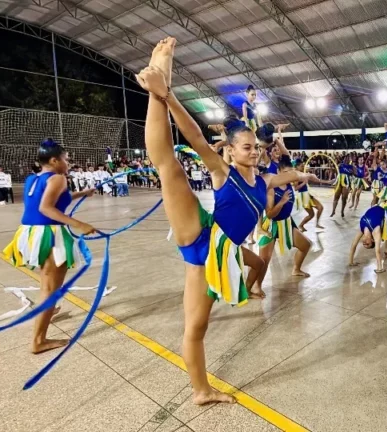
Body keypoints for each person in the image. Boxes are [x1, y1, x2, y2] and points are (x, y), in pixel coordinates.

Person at [134, 39, 324, 405]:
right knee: (169, 167)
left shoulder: (265, 180)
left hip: (224, 252)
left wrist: (308, 177)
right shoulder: (224, 172)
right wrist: (168, 96)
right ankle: (201, 391)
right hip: (203, 237)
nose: (254, 151)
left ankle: (159, 80)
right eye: (247, 147)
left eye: (257, 147)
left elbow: (290, 175)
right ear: (232, 149)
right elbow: (192, 136)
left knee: (202, 322)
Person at [3, 139, 97, 354]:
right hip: (49, 234)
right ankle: (38, 341)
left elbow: (52, 201)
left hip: (30, 233)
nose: (68, 162)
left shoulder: (33, 179)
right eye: (66, 159)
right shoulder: (58, 178)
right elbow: (47, 208)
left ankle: (49, 311)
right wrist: (80, 224)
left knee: (47, 281)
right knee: (50, 288)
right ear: (54, 160)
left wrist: (82, 193)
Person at [255, 155, 313, 297]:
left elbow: (301, 176)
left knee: (306, 245)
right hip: (272, 225)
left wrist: (306, 176)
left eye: (291, 172)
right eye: (287, 173)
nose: (291, 176)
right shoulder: (271, 188)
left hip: (286, 223)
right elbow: (269, 215)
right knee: (264, 259)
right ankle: (256, 287)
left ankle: (296, 269)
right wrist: (281, 202)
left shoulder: (290, 183)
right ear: (280, 173)